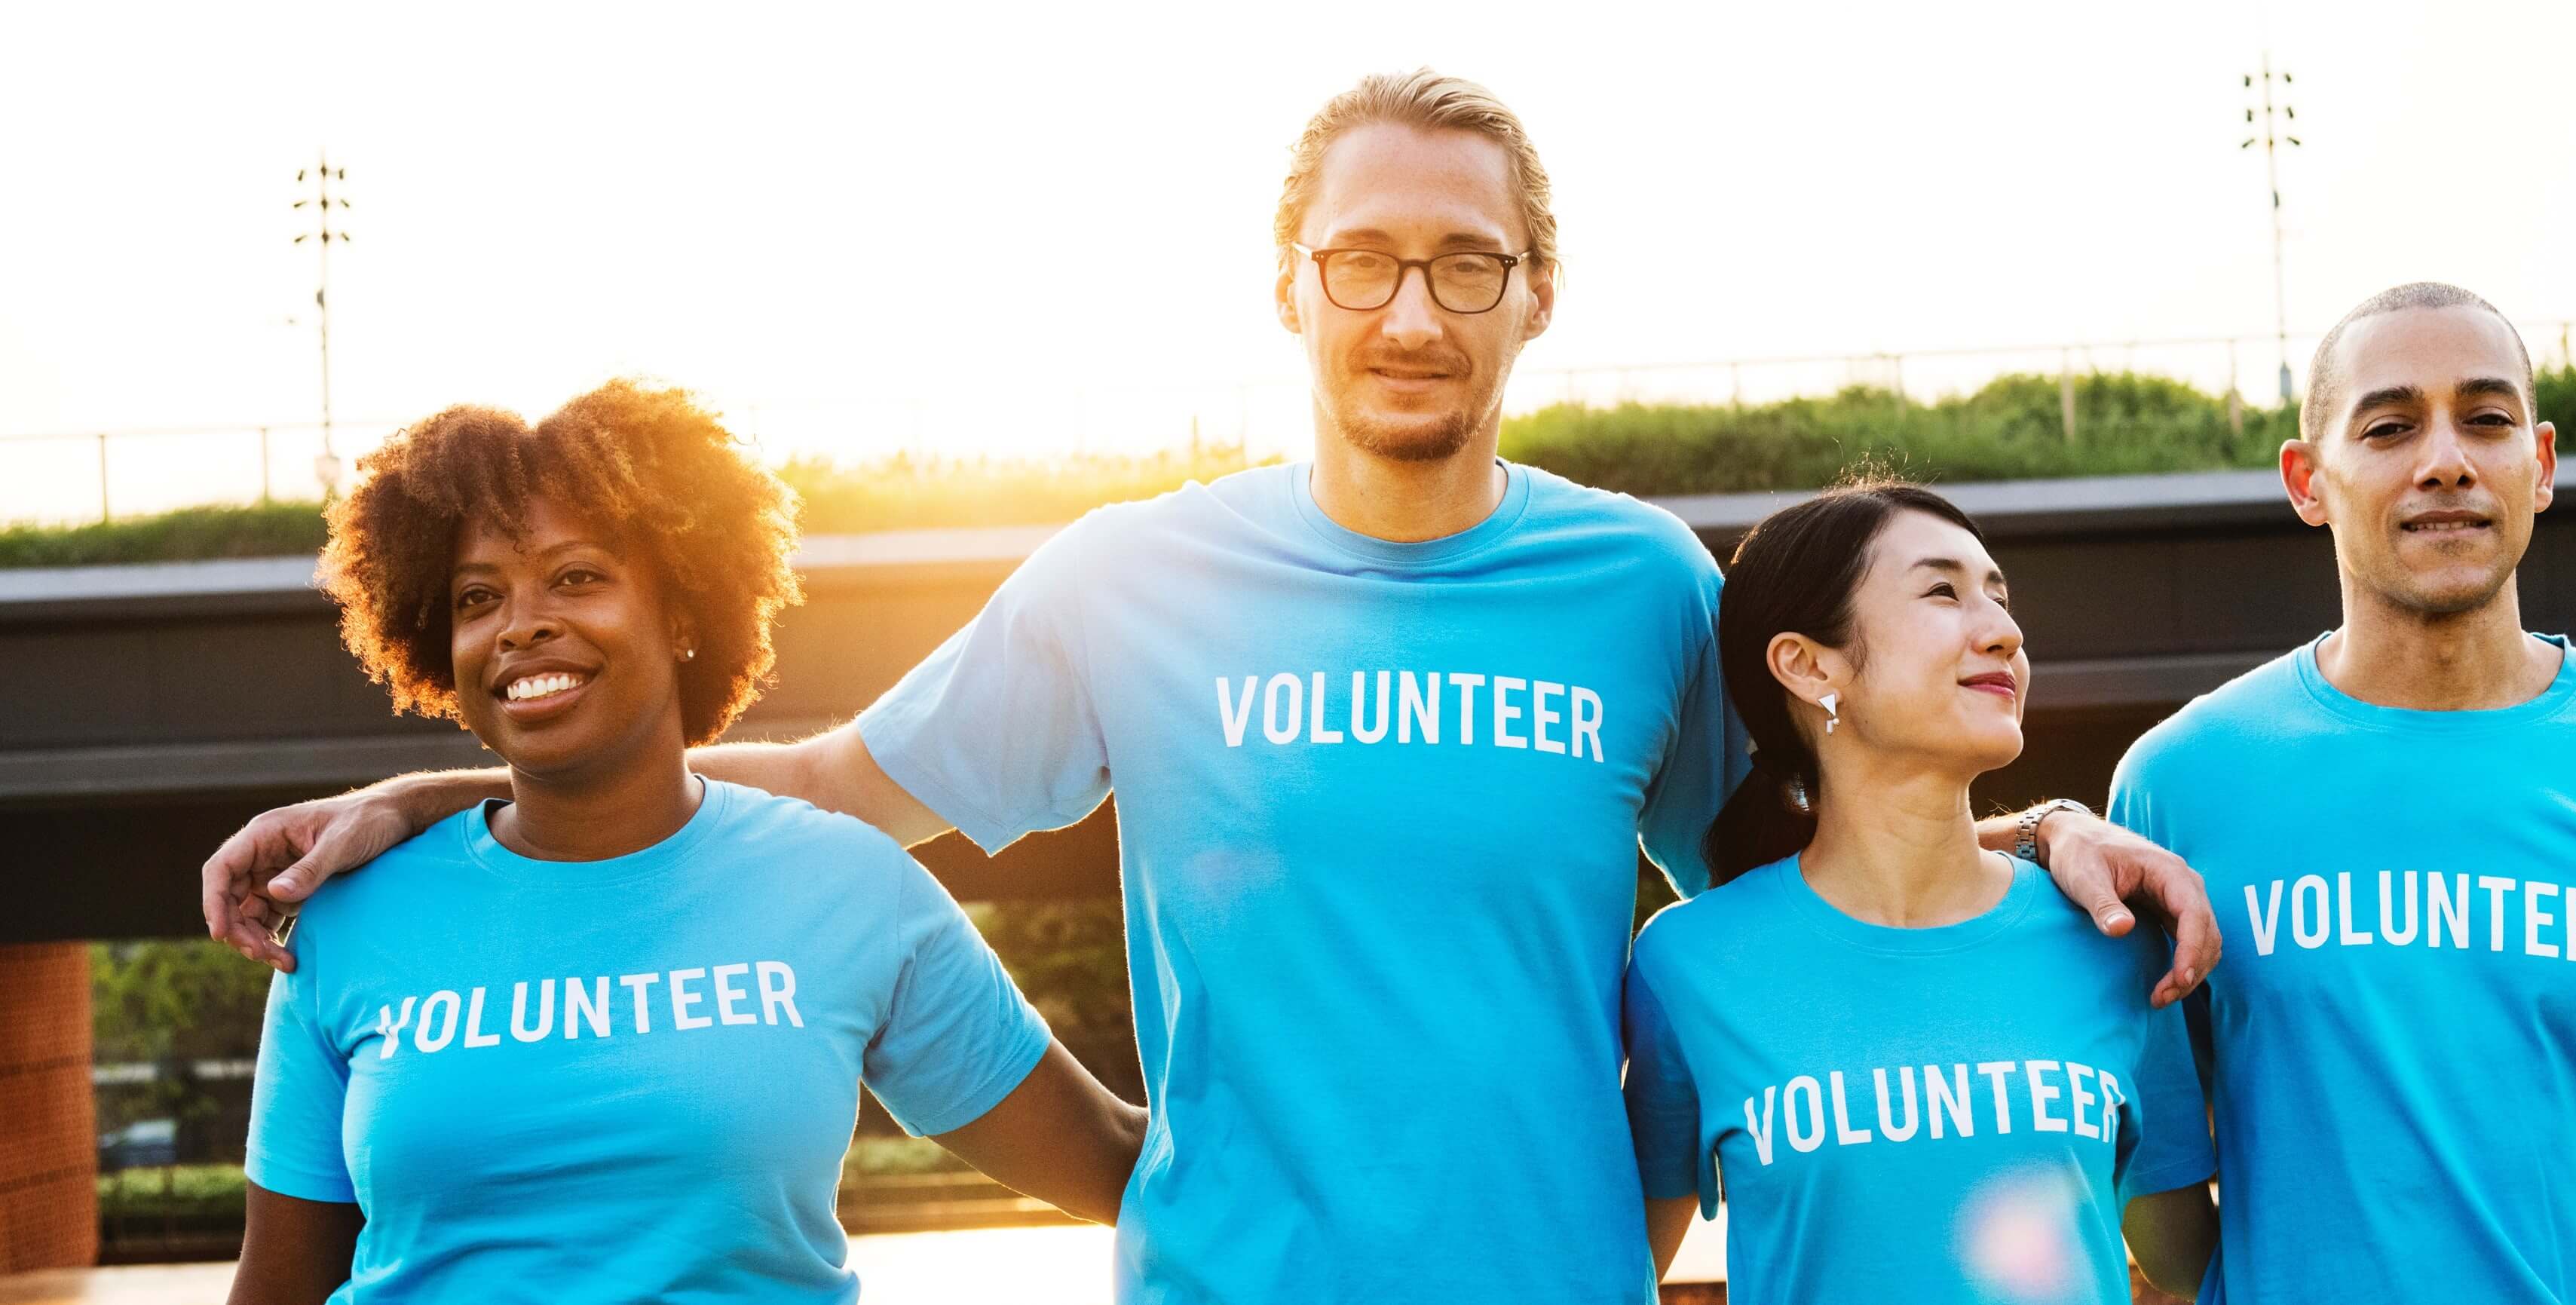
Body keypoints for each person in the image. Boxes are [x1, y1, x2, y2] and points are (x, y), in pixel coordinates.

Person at [204, 72, 2219, 1302]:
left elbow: (1826, 866)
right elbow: (830, 781)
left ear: (1536, 293)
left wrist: (2040, 825)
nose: (1412, 309)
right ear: (1286, 286)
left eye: (1465, 263)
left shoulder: (1633, 582)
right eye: (1364, 261)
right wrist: (443, 813)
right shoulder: (1129, 572)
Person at [228, 386, 1144, 1305]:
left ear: (681, 615)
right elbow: (278, 1287)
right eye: (478, 597)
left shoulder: (850, 887)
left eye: (577, 576)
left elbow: (1115, 1161)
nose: (522, 624)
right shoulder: (352, 916)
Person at [2106, 283, 2576, 1304]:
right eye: (2389, 426)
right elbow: (2156, 1188)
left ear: (2539, 464)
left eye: (2487, 418)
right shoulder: (2178, 783)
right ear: (2308, 480)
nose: (2447, 459)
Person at [1625, 482, 2219, 1304]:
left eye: (2000, 598)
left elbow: (2191, 1264)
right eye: (1942, 592)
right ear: (1807, 664)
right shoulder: (1686, 967)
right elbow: (1615, 1275)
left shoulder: (2112, 940)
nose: (2004, 633)